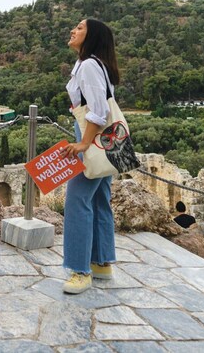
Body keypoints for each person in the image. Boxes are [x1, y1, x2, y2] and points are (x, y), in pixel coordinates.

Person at [60, 18, 119, 294]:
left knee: (77, 199)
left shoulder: (89, 66)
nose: (74, 30)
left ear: (91, 37)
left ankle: (80, 270)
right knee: (98, 198)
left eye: (80, 28)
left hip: (92, 136)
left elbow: (98, 111)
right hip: (102, 139)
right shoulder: (96, 65)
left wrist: (83, 143)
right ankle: (101, 263)